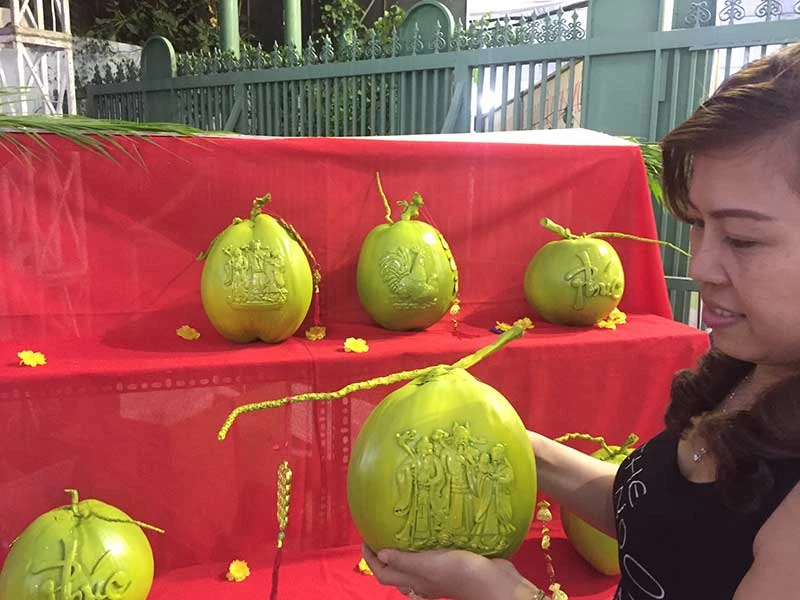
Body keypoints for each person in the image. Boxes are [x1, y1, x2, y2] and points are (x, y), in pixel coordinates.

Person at [362, 43, 800, 600]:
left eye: (741, 238)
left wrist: (501, 595)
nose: (701, 267)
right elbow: (660, 518)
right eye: (696, 223)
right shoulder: (752, 368)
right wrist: (506, 440)